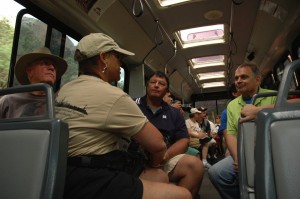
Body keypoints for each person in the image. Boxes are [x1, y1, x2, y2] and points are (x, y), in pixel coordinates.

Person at [55, 33, 192, 199]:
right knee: (183, 195)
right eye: (117, 57)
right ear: (103, 57)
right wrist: (155, 163)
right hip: (90, 178)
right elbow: (158, 145)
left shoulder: (64, 90)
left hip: (61, 171)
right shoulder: (113, 95)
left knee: (160, 177)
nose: (120, 63)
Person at [208, 63, 276, 199]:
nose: (238, 81)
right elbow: (231, 134)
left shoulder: (272, 96)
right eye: (236, 78)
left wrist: (259, 111)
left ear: (257, 79)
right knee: (216, 172)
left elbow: (295, 104)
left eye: (244, 77)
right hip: (246, 151)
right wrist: (237, 158)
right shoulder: (232, 105)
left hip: (273, 149)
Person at [135, 71, 204, 198]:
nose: (156, 85)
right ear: (147, 85)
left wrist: (166, 156)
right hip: (135, 159)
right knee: (159, 178)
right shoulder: (133, 105)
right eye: (153, 82)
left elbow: (183, 140)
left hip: (164, 157)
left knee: (196, 165)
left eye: (161, 84)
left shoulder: (174, 113)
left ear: (166, 90)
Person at [0, 47, 68, 118]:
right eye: (45, 63)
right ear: (30, 71)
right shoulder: (9, 101)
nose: (52, 68)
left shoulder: (59, 104)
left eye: (54, 66)